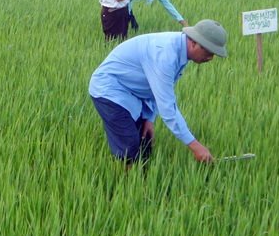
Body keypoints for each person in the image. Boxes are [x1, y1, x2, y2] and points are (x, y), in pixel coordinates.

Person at [89, 19, 227, 167]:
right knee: (129, 146)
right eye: (208, 51)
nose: (210, 58)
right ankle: (127, 184)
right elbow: (167, 107)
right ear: (193, 43)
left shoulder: (181, 50)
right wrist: (195, 146)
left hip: (133, 92)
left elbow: (156, 89)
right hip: (109, 89)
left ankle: (144, 180)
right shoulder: (164, 55)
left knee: (145, 142)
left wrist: (149, 118)